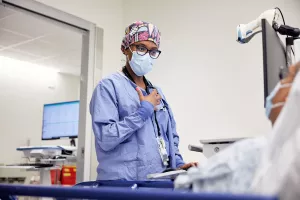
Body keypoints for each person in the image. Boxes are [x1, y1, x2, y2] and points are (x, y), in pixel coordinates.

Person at [90, 21, 196, 181]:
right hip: (122, 186)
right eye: (141, 48)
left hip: (157, 183)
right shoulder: (108, 87)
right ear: (125, 49)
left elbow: (169, 136)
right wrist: (143, 112)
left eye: (153, 51)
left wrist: (178, 165)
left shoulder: (156, 92)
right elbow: (105, 138)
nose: (147, 55)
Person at [175, 62, 300, 198]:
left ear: (294, 94)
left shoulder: (252, 154)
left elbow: (185, 187)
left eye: (286, 76)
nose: (279, 84)